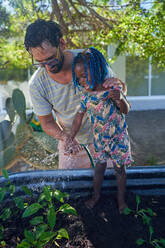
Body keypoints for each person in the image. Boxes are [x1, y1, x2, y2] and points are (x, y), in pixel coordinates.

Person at [24, 19, 123, 169]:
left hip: (107, 138)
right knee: (69, 190)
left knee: (111, 188)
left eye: (50, 59)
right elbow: (47, 122)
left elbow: (120, 91)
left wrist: (118, 86)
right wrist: (66, 138)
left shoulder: (91, 61)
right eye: (40, 62)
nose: (47, 67)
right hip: (73, 144)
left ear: (62, 44)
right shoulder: (37, 84)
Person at [65, 47, 133, 213]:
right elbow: (78, 117)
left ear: (97, 70)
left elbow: (126, 110)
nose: (81, 80)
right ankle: (96, 196)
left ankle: (121, 199)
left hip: (118, 139)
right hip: (100, 140)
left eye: (83, 76)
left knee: (120, 169)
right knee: (99, 168)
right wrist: (70, 136)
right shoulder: (86, 96)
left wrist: (120, 98)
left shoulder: (111, 90)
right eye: (78, 77)